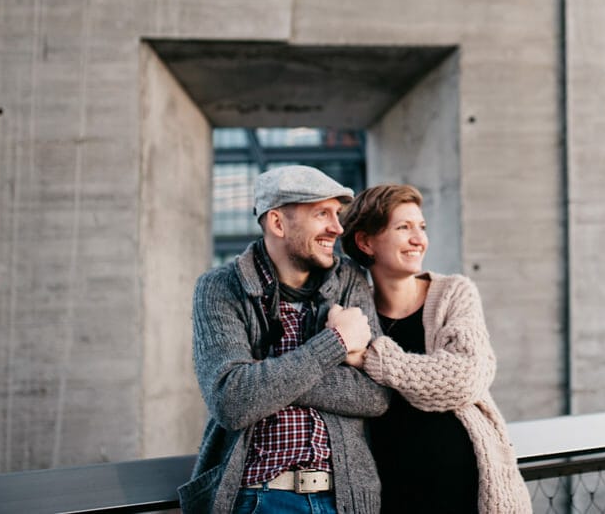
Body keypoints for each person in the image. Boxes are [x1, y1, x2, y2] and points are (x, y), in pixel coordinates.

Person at [180, 165, 390, 514]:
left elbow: (377, 394)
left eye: (337, 214)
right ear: (278, 223)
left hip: (346, 498)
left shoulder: (349, 279)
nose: (337, 228)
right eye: (322, 213)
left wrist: (266, 376)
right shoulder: (220, 287)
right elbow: (232, 401)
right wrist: (335, 343)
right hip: (257, 497)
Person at [339, 184, 532, 514]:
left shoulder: (453, 293)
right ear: (366, 241)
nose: (419, 239)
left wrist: (375, 360)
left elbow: (466, 376)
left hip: (468, 491)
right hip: (391, 494)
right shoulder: (353, 314)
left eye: (422, 227)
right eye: (404, 227)